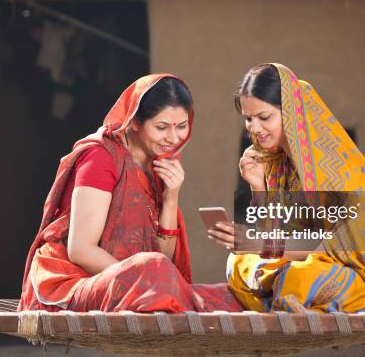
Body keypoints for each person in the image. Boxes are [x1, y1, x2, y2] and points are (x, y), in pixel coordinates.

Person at [208, 63, 365, 314]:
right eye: (248, 119)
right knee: (237, 263)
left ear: (292, 113)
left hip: (358, 274)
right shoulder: (276, 162)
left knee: (297, 278)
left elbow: (323, 246)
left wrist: (258, 243)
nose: (254, 128)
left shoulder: (335, 166)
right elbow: (280, 237)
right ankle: (285, 298)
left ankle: (285, 296)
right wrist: (258, 186)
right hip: (302, 263)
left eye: (264, 117)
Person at [19, 73, 243, 313]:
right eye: (162, 127)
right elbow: (81, 250)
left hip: (141, 282)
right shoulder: (100, 158)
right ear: (134, 121)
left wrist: (171, 197)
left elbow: (164, 259)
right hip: (75, 283)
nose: (173, 137)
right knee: (156, 270)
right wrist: (140, 278)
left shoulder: (160, 163)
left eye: (181, 126)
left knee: (230, 298)